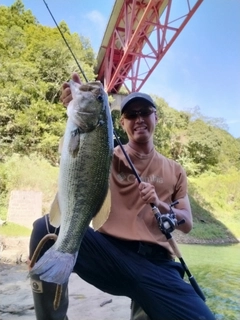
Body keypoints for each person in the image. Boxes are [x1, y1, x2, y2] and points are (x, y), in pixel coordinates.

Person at [28, 72, 216, 320]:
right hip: (108, 255)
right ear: (123, 122)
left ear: (156, 117)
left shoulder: (175, 170)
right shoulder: (107, 154)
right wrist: (72, 104)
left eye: (145, 112)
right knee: (45, 228)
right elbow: (79, 146)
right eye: (131, 114)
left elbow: (187, 223)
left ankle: (144, 307)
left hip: (158, 265)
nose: (139, 119)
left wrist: (159, 203)